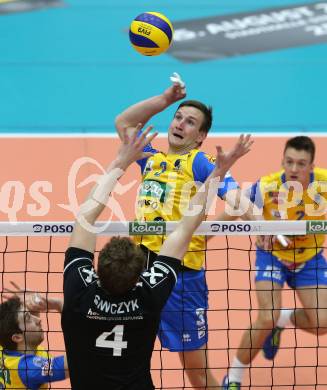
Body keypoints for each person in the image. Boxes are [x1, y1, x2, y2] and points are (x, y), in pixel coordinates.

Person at [61, 124, 252, 389]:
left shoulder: (79, 293)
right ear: (137, 274)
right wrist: (217, 173)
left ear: (97, 270)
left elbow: (85, 218)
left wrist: (120, 161)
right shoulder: (148, 297)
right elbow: (184, 229)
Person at [115, 76, 255, 388]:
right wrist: (165, 99)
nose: (180, 124)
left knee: (196, 372)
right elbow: (124, 121)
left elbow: (233, 196)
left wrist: (260, 223)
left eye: (190, 122)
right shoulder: (151, 160)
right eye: (178, 117)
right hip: (139, 270)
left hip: (182, 277)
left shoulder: (200, 162)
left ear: (202, 135)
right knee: (125, 359)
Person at [222, 136, 327, 389]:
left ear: (312, 166)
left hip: (309, 258)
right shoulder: (267, 186)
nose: (293, 169)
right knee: (265, 316)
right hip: (272, 256)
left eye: (301, 164)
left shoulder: (323, 184)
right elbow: (237, 206)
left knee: (323, 323)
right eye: (289, 162)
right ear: (282, 161)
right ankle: (234, 377)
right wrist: (205, 234)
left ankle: (284, 319)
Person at [0, 283, 68, 389]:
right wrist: (59, 304)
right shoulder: (28, 369)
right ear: (17, 337)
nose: (39, 320)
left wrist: (33, 306)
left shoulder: (5, 345)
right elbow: (75, 362)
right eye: (28, 318)